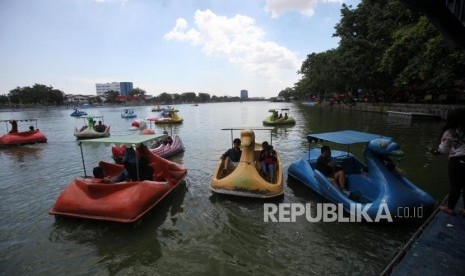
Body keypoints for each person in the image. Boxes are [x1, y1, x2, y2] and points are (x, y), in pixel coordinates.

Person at [432, 108, 465, 216]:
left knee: (456, 186)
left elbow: (443, 150)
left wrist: (435, 152)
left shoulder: (449, 131)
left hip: (457, 160)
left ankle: (450, 208)